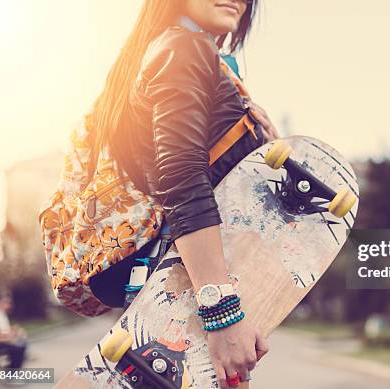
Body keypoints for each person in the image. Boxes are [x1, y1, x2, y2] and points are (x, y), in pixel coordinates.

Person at [88, 1, 274, 387]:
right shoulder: (183, 48)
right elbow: (182, 176)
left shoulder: (178, 52)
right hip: (187, 294)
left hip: (180, 288)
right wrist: (221, 313)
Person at [0, 291, 27, 369]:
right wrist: (3, 339)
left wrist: (5, 336)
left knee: (20, 344)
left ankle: (13, 369)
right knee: (17, 347)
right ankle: (12, 371)